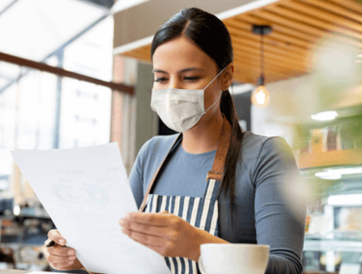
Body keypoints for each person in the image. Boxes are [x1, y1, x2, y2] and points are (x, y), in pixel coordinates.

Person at [44, 7, 305, 274]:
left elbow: (287, 268)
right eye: (161, 78)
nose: (172, 91)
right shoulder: (152, 153)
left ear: (226, 77)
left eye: (190, 77)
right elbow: (123, 252)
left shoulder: (266, 155)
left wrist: (195, 244)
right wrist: (80, 258)